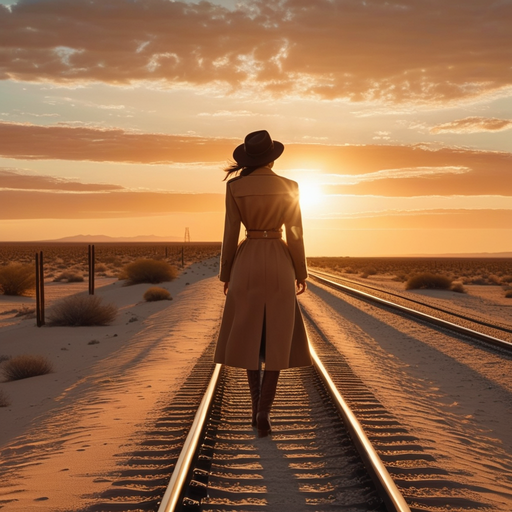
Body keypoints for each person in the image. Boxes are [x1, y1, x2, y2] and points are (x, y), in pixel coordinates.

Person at [214, 129, 312, 437]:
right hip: (280, 261)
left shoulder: (235, 188)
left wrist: (226, 273)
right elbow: (295, 232)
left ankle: (255, 407)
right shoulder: (290, 187)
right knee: (278, 338)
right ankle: (264, 411)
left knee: (247, 335)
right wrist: (301, 271)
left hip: (247, 261)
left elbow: (230, 232)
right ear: (272, 157)